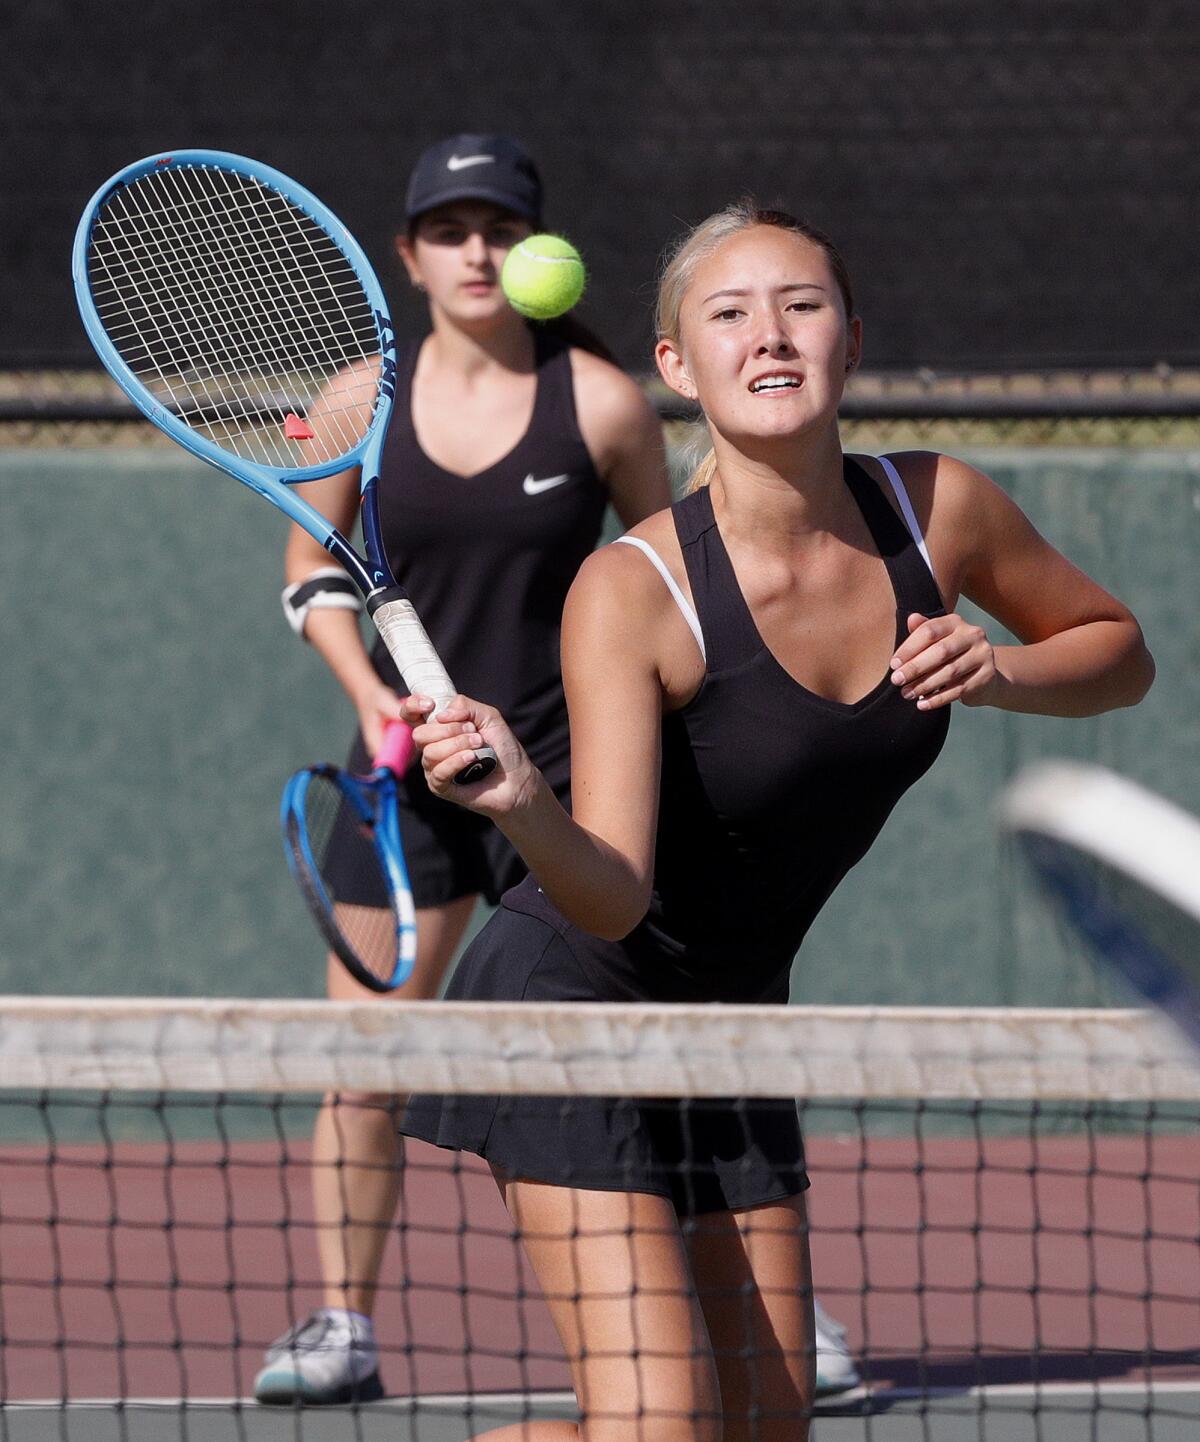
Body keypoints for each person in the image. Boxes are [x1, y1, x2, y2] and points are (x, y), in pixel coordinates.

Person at [397, 202, 1155, 1442]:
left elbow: (1120, 654)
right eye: (729, 313)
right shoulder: (633, 588)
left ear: (851, 340)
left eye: (802, 305)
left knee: (767, 1426)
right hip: (570, 1001)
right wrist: (526, 802)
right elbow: (614, 895)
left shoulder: (936, 511)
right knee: (659, 1425)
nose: (771, 336)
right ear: (677, 365)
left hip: (734, 1019)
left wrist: (999, 667)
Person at [254, 134, 673, 1407]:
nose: (478, 249)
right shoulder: (356, 397)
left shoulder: (601, 400)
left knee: (639, 1043)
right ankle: (343, 1324)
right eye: (451, 228)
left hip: (558, 767)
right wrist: (373, 691)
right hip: (401, 780)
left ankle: (745, 1294)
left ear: (534, 245)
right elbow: (310, 572)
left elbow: (664, 569)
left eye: (499, 225)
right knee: (366, 1054)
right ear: (410, 255)